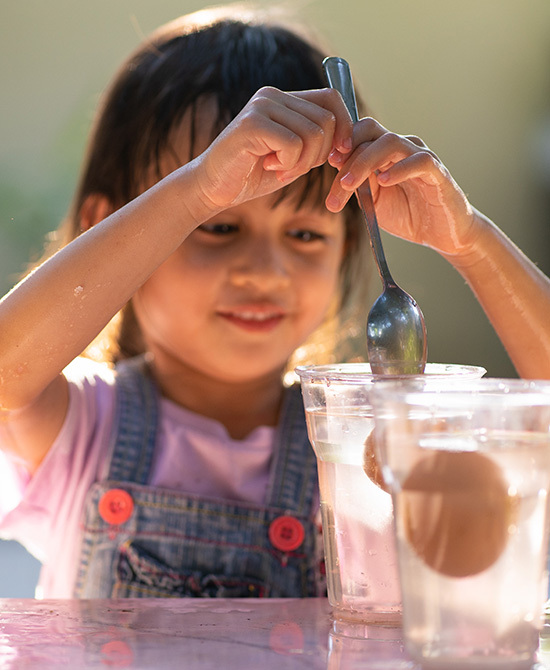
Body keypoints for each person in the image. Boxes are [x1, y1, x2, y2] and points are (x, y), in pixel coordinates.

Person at [1, 4, 550, 600]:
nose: (266, 270)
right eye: (218, 226)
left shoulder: (355, 451)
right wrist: (195, 191)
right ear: (107, 228)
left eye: (306, 235)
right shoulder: (82, 428)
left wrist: (468, 240)